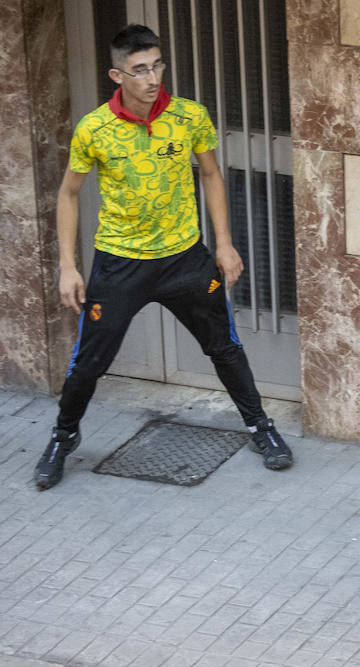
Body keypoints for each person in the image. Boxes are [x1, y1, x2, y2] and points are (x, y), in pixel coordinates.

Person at [34, 23, 292, 490]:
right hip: (119, 264)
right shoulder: (95, 129)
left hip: (185, 261)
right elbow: (68, 195)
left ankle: (260, 428)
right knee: (88, 363)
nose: (152, 78)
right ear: (117, 75)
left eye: (157, 66)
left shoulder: (189, 116)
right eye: (139, 70)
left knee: (225, 348)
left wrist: (225, 242)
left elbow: (212, 175)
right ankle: (63, 436)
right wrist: (68, 266)